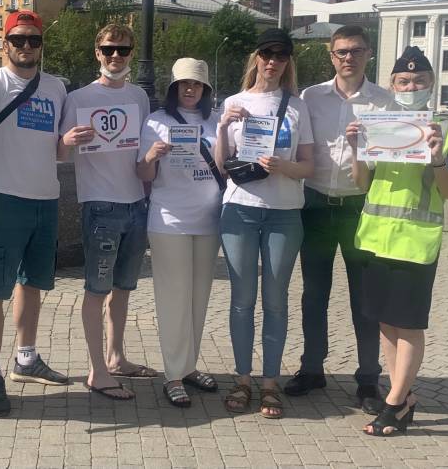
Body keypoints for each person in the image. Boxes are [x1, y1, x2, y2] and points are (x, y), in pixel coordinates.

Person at [345, 46, 448, 437]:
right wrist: (355, 149)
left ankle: (394, 404)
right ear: (392, 85)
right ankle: (404, 395)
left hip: (416, 241)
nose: (410, 85)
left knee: (409, 325)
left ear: (431, 84)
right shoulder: (383, 123)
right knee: (385, 323)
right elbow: (362, 183)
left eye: (418, 80)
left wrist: (435, 157)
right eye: (402, 80)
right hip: (377, 238)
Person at [0, 9, 71, 417]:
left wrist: (69, 143)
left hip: (46, 198)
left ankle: (26, 357)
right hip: (5, 199)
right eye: (18, 39)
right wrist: (1, 173)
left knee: (33, 282)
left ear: (41, 45)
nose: (26, 47)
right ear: (4, 43)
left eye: (34, 40)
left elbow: (55, 146)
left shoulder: (57, 88)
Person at [285, 26, 391, 416]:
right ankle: (313, 368)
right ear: (331, 55)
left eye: (357, 51)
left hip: (360, 207)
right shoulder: (311, 97)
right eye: (342, 51)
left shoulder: (385, 102)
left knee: (365, 299)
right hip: (314, 205)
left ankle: (368, 378)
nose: (349, 57)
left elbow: (394, 155)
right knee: (313, 294)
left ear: (369, 54)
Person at [214, 28, 315, 419]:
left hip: (284, 212)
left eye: (281, 55)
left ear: (288, 62)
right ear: (256, 57)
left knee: (275, 301)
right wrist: (223, 126)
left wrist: (284, 166)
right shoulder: (235, 102)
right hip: (239, 209)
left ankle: (270, 383)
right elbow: (223, 165)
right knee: (242, 301)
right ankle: (242, 379)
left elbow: (309, 165)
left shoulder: (297, 106)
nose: (273, 61)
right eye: (267, 54)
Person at [59, 23, 157, 400]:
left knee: (124, 288)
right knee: (96, 289)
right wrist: (66, 140)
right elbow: (59, 149)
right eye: (108, 49)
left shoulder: (139, 97)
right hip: (100, 205)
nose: (116, 56)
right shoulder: (79, 97)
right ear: (97, 52)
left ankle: (117, 357)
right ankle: (97, 370)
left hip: (135, 202)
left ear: (132, 53)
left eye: (123, 49)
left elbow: (141, 150)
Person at [136, 58, 223, 408]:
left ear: (205, 90)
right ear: (173, 88)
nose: (190, 90)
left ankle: (188, 366)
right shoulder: (156, 122)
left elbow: (228, 167)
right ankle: (172, 374)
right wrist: (153, 156)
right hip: (169, 219)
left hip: (210, 220)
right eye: (184, 84)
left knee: (198, 299)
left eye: (197, 85)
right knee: (173, 298)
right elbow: (142, 174)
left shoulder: (216, 121)